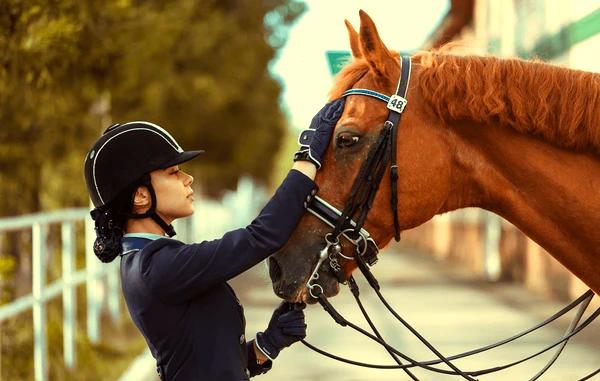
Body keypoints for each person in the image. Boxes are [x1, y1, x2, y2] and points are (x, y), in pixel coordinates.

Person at [82, 99, 345, 381]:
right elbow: (261, 236)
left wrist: (266, 345)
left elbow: (202, 362)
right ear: (140, 196)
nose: (188, 178)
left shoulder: (149, 260)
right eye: (173, 172)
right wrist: (308, 159)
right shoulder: (154, 266)